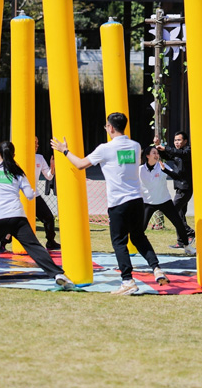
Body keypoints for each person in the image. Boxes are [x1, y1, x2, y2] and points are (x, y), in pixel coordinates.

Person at [52, 112, 169, 295]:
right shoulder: (136, 146)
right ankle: (156, 268)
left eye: (106, 126)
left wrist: (64, 150)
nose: (106, 128)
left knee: (119, 241)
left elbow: (81, 164)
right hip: (137, 200)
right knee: (138, 237)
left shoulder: (105, 148)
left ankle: (127, 280)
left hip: (118, 202)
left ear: (111, 128)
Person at [0, 142, 74, 290]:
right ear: (14, 155)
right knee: (34, 247)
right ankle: (57, 274)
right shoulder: (18, 173)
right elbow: (29, 195)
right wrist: (33, 193)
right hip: (17, 216)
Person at [0, 136, 61, 251]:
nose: (37, 146)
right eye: (34, 143)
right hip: (19, 196)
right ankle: (3, 243)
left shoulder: (39, 158)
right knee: (13, 220)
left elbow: (49, 176)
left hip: (34, 195)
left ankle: (51, 242)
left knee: (49, 217)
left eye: (37, 143)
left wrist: (52, 167)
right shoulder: (18, 159)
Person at [138, 144, 196, 255]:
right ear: (147, 156)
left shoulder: (162, 165)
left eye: (157, 153)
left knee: (179, 223)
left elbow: (177, 177)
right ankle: (138, 247)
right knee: (141, 228)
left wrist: (166, 171)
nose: (156, 155)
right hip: (148, 203)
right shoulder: (140, 170)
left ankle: (187, 246)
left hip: (165, 201)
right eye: (154, 153)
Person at [156, 131, 195, 248]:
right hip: (180, 187)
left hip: (185, 188)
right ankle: (182, 241)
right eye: (175, 140)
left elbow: (178, 153)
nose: (177, 142)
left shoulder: (187, 151)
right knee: (180, 214)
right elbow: (166, 155)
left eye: (179, 140)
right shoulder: (178, 152)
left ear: (185, 141)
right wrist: (158, 147)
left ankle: (189, 233)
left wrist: (166, 148)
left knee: (173, 211)